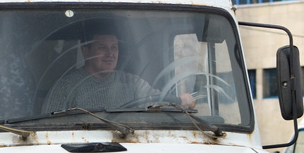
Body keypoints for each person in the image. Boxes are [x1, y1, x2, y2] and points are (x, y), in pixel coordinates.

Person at [43, 29, 197, 113]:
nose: (110, 53)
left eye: (114, 47)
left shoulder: (132, 83)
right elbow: (47, 128)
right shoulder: (66, 87)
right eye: (102, 47)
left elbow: (157, 102)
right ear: (85, 51)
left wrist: (180, 102)